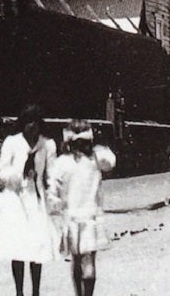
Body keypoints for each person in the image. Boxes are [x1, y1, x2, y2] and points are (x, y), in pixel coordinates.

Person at [0, 104, 58, 296]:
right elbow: (2, 172)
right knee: (18, 245)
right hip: (16, 200)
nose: (32, 127)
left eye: (35, 123)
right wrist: (20, 170)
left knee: (37, 246)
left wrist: (53, 195)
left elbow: (52, 174)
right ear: (22, 124)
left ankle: (35, 291)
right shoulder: (12, 143)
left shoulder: (47, 145)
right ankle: (19, 291)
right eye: (28, 122)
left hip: (36, 201)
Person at [48, 119, 116, 296]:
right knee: (89, 261)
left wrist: (57, 204)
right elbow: (110, 161)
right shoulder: (95, 159)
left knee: (76, 260)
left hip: (71, 217)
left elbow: (53, 190)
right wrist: (101, 144)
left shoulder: (62, 162)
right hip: (91, 215)